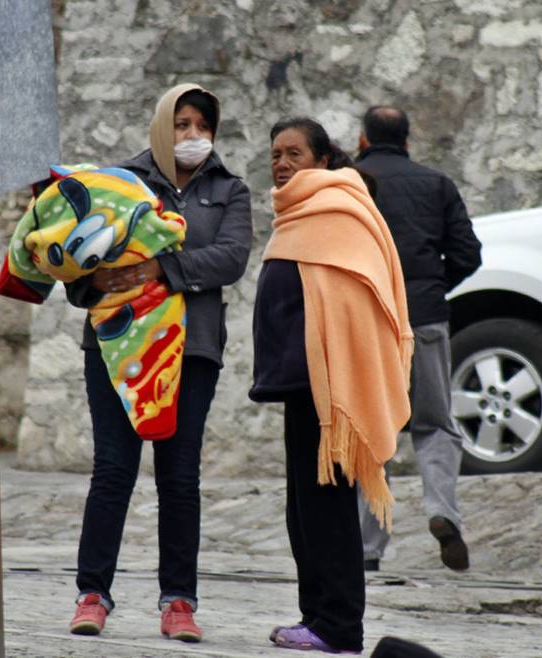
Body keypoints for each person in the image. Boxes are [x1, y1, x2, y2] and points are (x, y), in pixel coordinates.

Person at [65, 83, 252, 641]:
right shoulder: (118, 183)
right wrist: (98, 279)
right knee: (113, 471)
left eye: (202, 125)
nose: (193, 135)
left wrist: (160, 271)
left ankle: (178, 603)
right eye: (182, 124)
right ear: (161, 126)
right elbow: (79, 260)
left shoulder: (230, 189)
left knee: (179, 477)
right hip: (117, 344)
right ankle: (92, 594)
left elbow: (231, 257)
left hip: (191, 349)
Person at [250, 117, 413, 654]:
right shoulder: (297, 211)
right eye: (275, 153)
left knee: (327, 508)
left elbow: (357, 302)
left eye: (293, 153)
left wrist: (337, 374)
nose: (281, 163)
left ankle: (339, 626)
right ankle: (315, 616)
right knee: (303, 509)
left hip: (331, 389)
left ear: (322, 160)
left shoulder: (340, 208)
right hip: (301, 383)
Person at [353, 105, 482, 572]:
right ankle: (442, 512)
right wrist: (430, 285)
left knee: (372, 434)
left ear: (363, 139)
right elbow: (469, 254)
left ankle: (367, 549)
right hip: (425, 318)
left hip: (367, 322)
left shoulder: (350, 182)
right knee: (435, 424)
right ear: (408, 140)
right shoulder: (436, 184)